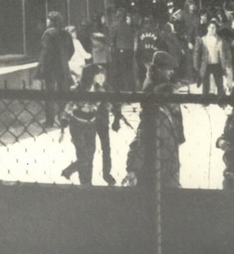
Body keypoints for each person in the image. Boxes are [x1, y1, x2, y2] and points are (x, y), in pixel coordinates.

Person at [122, 51, 184, 190]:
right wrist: (132, 169)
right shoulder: (156, 116)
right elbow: (140, 143)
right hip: (159, 174)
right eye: (169, 69)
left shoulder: (167, 117)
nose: (171, 72)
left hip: (167, 170)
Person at [58, 64, 114, 185]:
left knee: (90, 154)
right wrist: (63, 127)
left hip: (91, 125)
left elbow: (108, 105)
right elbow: (69, 107)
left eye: (102, 73)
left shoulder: (100, 90)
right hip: (77, 125)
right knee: (83, 155)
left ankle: (87, 183)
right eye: (98, 73)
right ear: (91, 75)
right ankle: (73, 174)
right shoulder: (78, 89)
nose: (101, 76)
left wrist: (114, 109)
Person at [37, 11, 76, 127]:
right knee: (63, 93)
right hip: (63, 68)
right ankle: (63, 118)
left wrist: (42, 68)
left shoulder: (48, 33)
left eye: (48, 19)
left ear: (52, 21)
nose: (47, 21)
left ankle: (49, 120)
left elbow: (46, 51)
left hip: (51, 68)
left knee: (50, 94)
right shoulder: (66, 34)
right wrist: (64, 60)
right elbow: (71, 50)